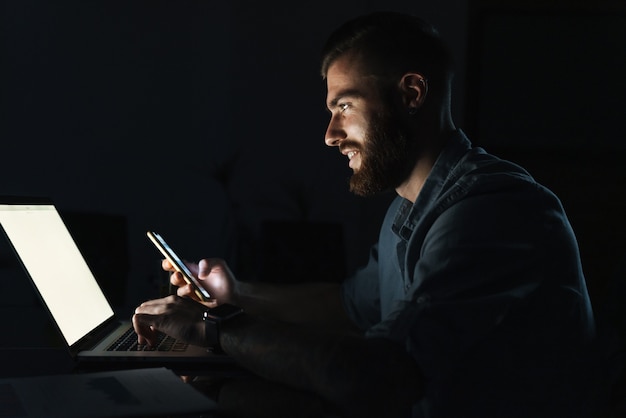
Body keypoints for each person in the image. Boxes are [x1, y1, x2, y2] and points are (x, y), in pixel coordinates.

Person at [133, 11, 598, 417]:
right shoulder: (410, 206)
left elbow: (380, 377)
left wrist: (216, 328)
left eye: (346, 106)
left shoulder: (492, 211)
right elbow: (351, 307)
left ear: (412, 93)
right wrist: (238, 294)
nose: (330, 135)